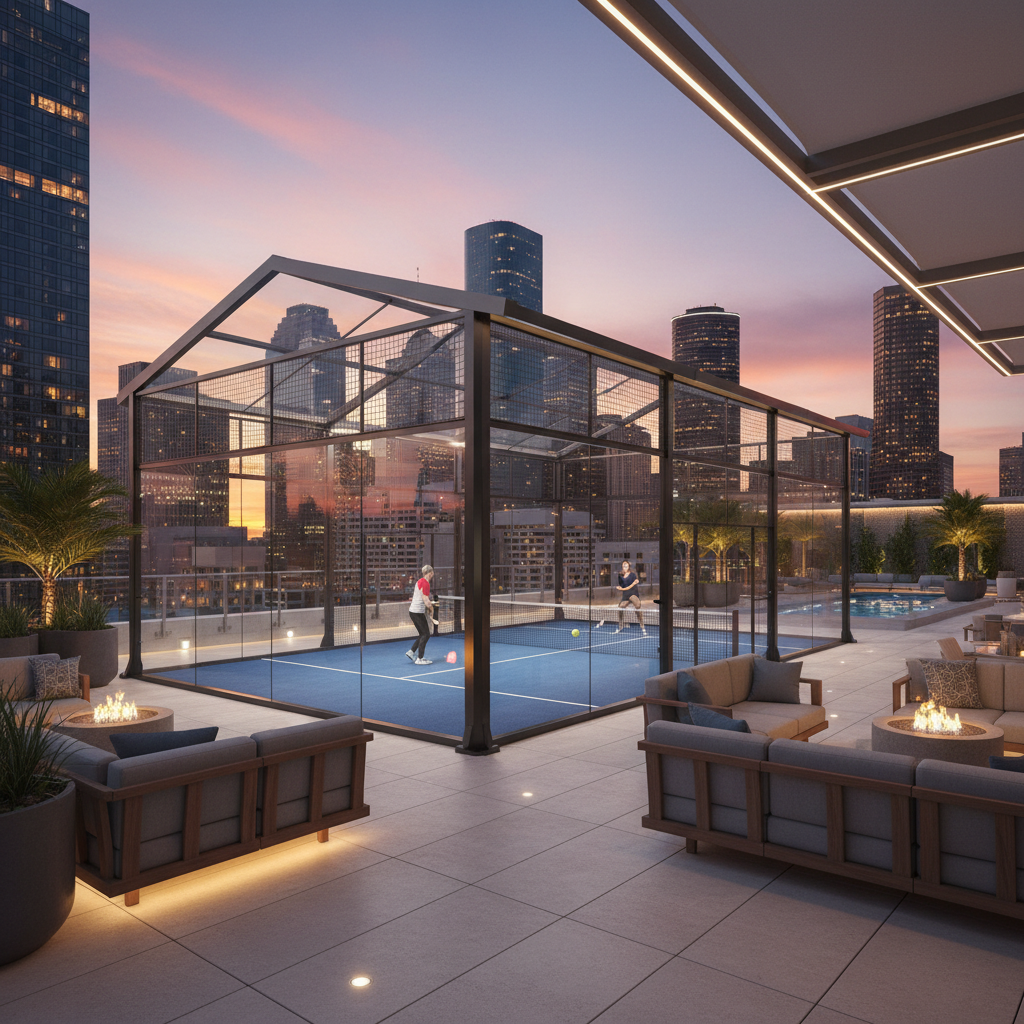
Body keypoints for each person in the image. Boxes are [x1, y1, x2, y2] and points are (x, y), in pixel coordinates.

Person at [406, 565, 435, 665]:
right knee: (426, 634)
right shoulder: (426, 584)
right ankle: (420, 658)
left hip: (413, 612)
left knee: (422, 634)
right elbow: (426, 600)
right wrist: (431, 606)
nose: (432, 575)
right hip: (417, 612)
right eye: (432, 573)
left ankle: (411, 651)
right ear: (430, 573)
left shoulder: (419, 581)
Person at [614, 559, 645, 634]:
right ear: (622, 566)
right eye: (623, 565)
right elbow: (621, 586)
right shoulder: (620, 576)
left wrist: (635, 582)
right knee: (620, 608)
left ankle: (642, 627)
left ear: (628, 566)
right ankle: (620, 626)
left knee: (637, 607)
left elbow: (636, 583)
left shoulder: (633, 575)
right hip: (625, 596)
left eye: (626, 565)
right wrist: (620, 588)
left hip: (633, 594)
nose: (625, 566)